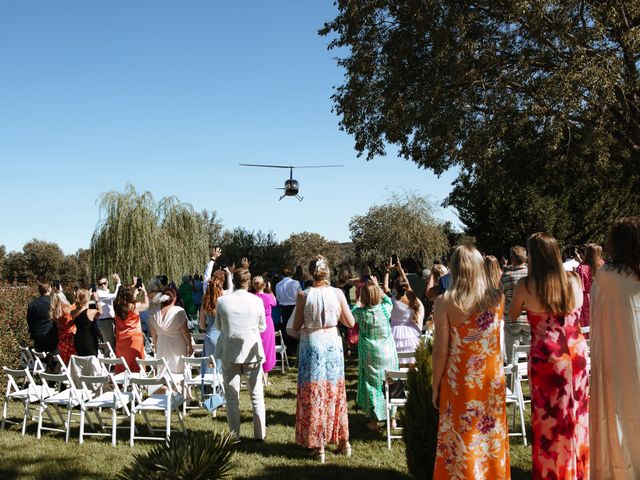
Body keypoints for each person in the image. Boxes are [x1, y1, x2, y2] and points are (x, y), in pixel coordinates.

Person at [510, 233, 589, 479]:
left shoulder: (526, 285)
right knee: (576, 416)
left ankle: (553, 472)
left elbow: (512, 315)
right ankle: (577, 470)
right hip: (576, 354)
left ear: (533, 256)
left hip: (547, 358)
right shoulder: (574, 279)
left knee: (549, 421)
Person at [432, 244, 509, 478]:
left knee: (462, 437)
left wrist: (435, 385)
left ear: (454, 268)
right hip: (491, 380)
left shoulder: (445, 302)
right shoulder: (498, 298)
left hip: (461, 382)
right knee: (489, 437)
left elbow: (440, 352)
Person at [590, 217, 640, 478]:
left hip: (617, 356)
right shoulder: (610, 275)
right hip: (628, 353)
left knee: (619, 415)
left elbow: (598, 317)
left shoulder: (606, 276)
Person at [292, 255, 355, 463]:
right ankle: (343, 442)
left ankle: (318, 445)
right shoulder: (337, 293)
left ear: (311, 273)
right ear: (328, 272)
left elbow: (295, 326)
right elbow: (350, 321)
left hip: (312, 342)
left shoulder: (304, 294)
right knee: (335, 389)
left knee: (314, 391)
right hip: (332, 342)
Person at [215, 268, 267, 440]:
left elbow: (218, 326)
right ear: (249, 281)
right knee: (256, 396)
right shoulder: (256, 301)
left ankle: (234, 436)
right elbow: (262, 327)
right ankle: (259, 435)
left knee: (232, 398)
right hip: (251, 351)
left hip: (230, 351)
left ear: (233, 281)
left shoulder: (222, 301)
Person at [352, 277, 398, 431]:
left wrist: (357, 303)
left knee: (372, 385)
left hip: (370, 355)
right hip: (388, 353)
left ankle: (374, 421)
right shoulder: (385, 310)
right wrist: (378, 288)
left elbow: (350, 317)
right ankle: (391, 419)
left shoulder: (360, 313)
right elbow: (388, 300)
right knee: (391, 382)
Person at [383, 261, 424, 364]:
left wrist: (387, 271)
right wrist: (400, 269)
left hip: (394, 331)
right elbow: (408, 284)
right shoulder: (412, 298)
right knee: (411, 359)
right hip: (411, 331)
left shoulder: (392, 300)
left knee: (396, 359)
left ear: (395, 288)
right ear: (406, 288)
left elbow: (385, 287)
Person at [147, 287, 193, 374]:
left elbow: (153, 334)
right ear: (174, 298)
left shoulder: (154, 316)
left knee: (164, 374)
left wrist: (156, 346)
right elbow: (185, 331)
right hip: (178, 347)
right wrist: (190, 345)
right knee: (178, 373)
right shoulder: (179, 311)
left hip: (162, 347)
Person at [500, 246, 530, 364]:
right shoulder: (530, 275)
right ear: (525, 258)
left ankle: (513, 381)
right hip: (529, 318)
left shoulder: (506, 276)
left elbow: (499, 295)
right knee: (532, 355)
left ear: (511, 259)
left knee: (512, 359)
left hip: (511, 319)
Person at [113, 281, 148, 373]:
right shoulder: (134, 306)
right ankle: (137, 380)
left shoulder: (116, 305)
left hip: (121, 337)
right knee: (135, 358)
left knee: (124, 359)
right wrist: (145, 292)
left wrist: (133, 289)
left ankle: (123, 378)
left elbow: (125, 295)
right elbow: (146, 305)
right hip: (134, 337)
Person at [199, 269, 228, 373]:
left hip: (210, 336)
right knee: (221, 366)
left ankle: (210, 387)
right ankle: (220, 388)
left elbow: (202, 325)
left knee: (210, 364)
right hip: (222, 336)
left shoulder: (204, 300)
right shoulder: (224, 299)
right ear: (222, 282)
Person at [252, 276, 277, 384]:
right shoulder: (268, 297)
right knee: (267, 348)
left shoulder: (252, 297)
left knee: (256, 348)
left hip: (254, 323)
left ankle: (256, 375)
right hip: (267, 324)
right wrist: (270, 289)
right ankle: (265, 377)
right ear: (264, 285)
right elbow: (275, 302)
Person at [576, 243, 603, 331]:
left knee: (587, 324)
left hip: (586, 298)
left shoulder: (582, 268)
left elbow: (579, 287)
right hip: (600, 296)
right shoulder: (603, 265)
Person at [275, 266, 302, 352]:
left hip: (284, 308)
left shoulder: (278, 285)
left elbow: (278, 298)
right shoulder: (296, 283)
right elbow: (300, 295)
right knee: (295, 327)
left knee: (286, 327)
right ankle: (294, 347)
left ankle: (288, 348)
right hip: (294, 306)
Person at [27, 282, 58, 354]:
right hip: (52, 338)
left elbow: (30, 322)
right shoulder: (53, 302)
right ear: (50, 289)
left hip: (38, 339)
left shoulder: (32, 304)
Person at [72, 289, 103, 356]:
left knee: (82, 361)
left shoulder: (73, 312)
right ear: (87, 299)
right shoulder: (90, 312)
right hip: (89, 340)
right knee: (92, 361)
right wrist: (97, 300)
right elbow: (100, 312)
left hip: (78, 340)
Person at [49, 288, 76, 364]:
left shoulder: (54, 313)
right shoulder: (67, 309)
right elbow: (76, 306)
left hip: (61, 340)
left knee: (67, 363)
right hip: (71, 338)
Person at [95, 273, 121, 350]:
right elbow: (115, 296)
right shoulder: (99, 293)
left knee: (113, 342)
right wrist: (118, 282)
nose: (103, 285)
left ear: (107, 282)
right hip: (104, 321)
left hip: (111, 319)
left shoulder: (108, 291)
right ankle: (108, 360)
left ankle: (112, 359)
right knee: (109, 344)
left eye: (104, 283)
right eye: (100, 284)